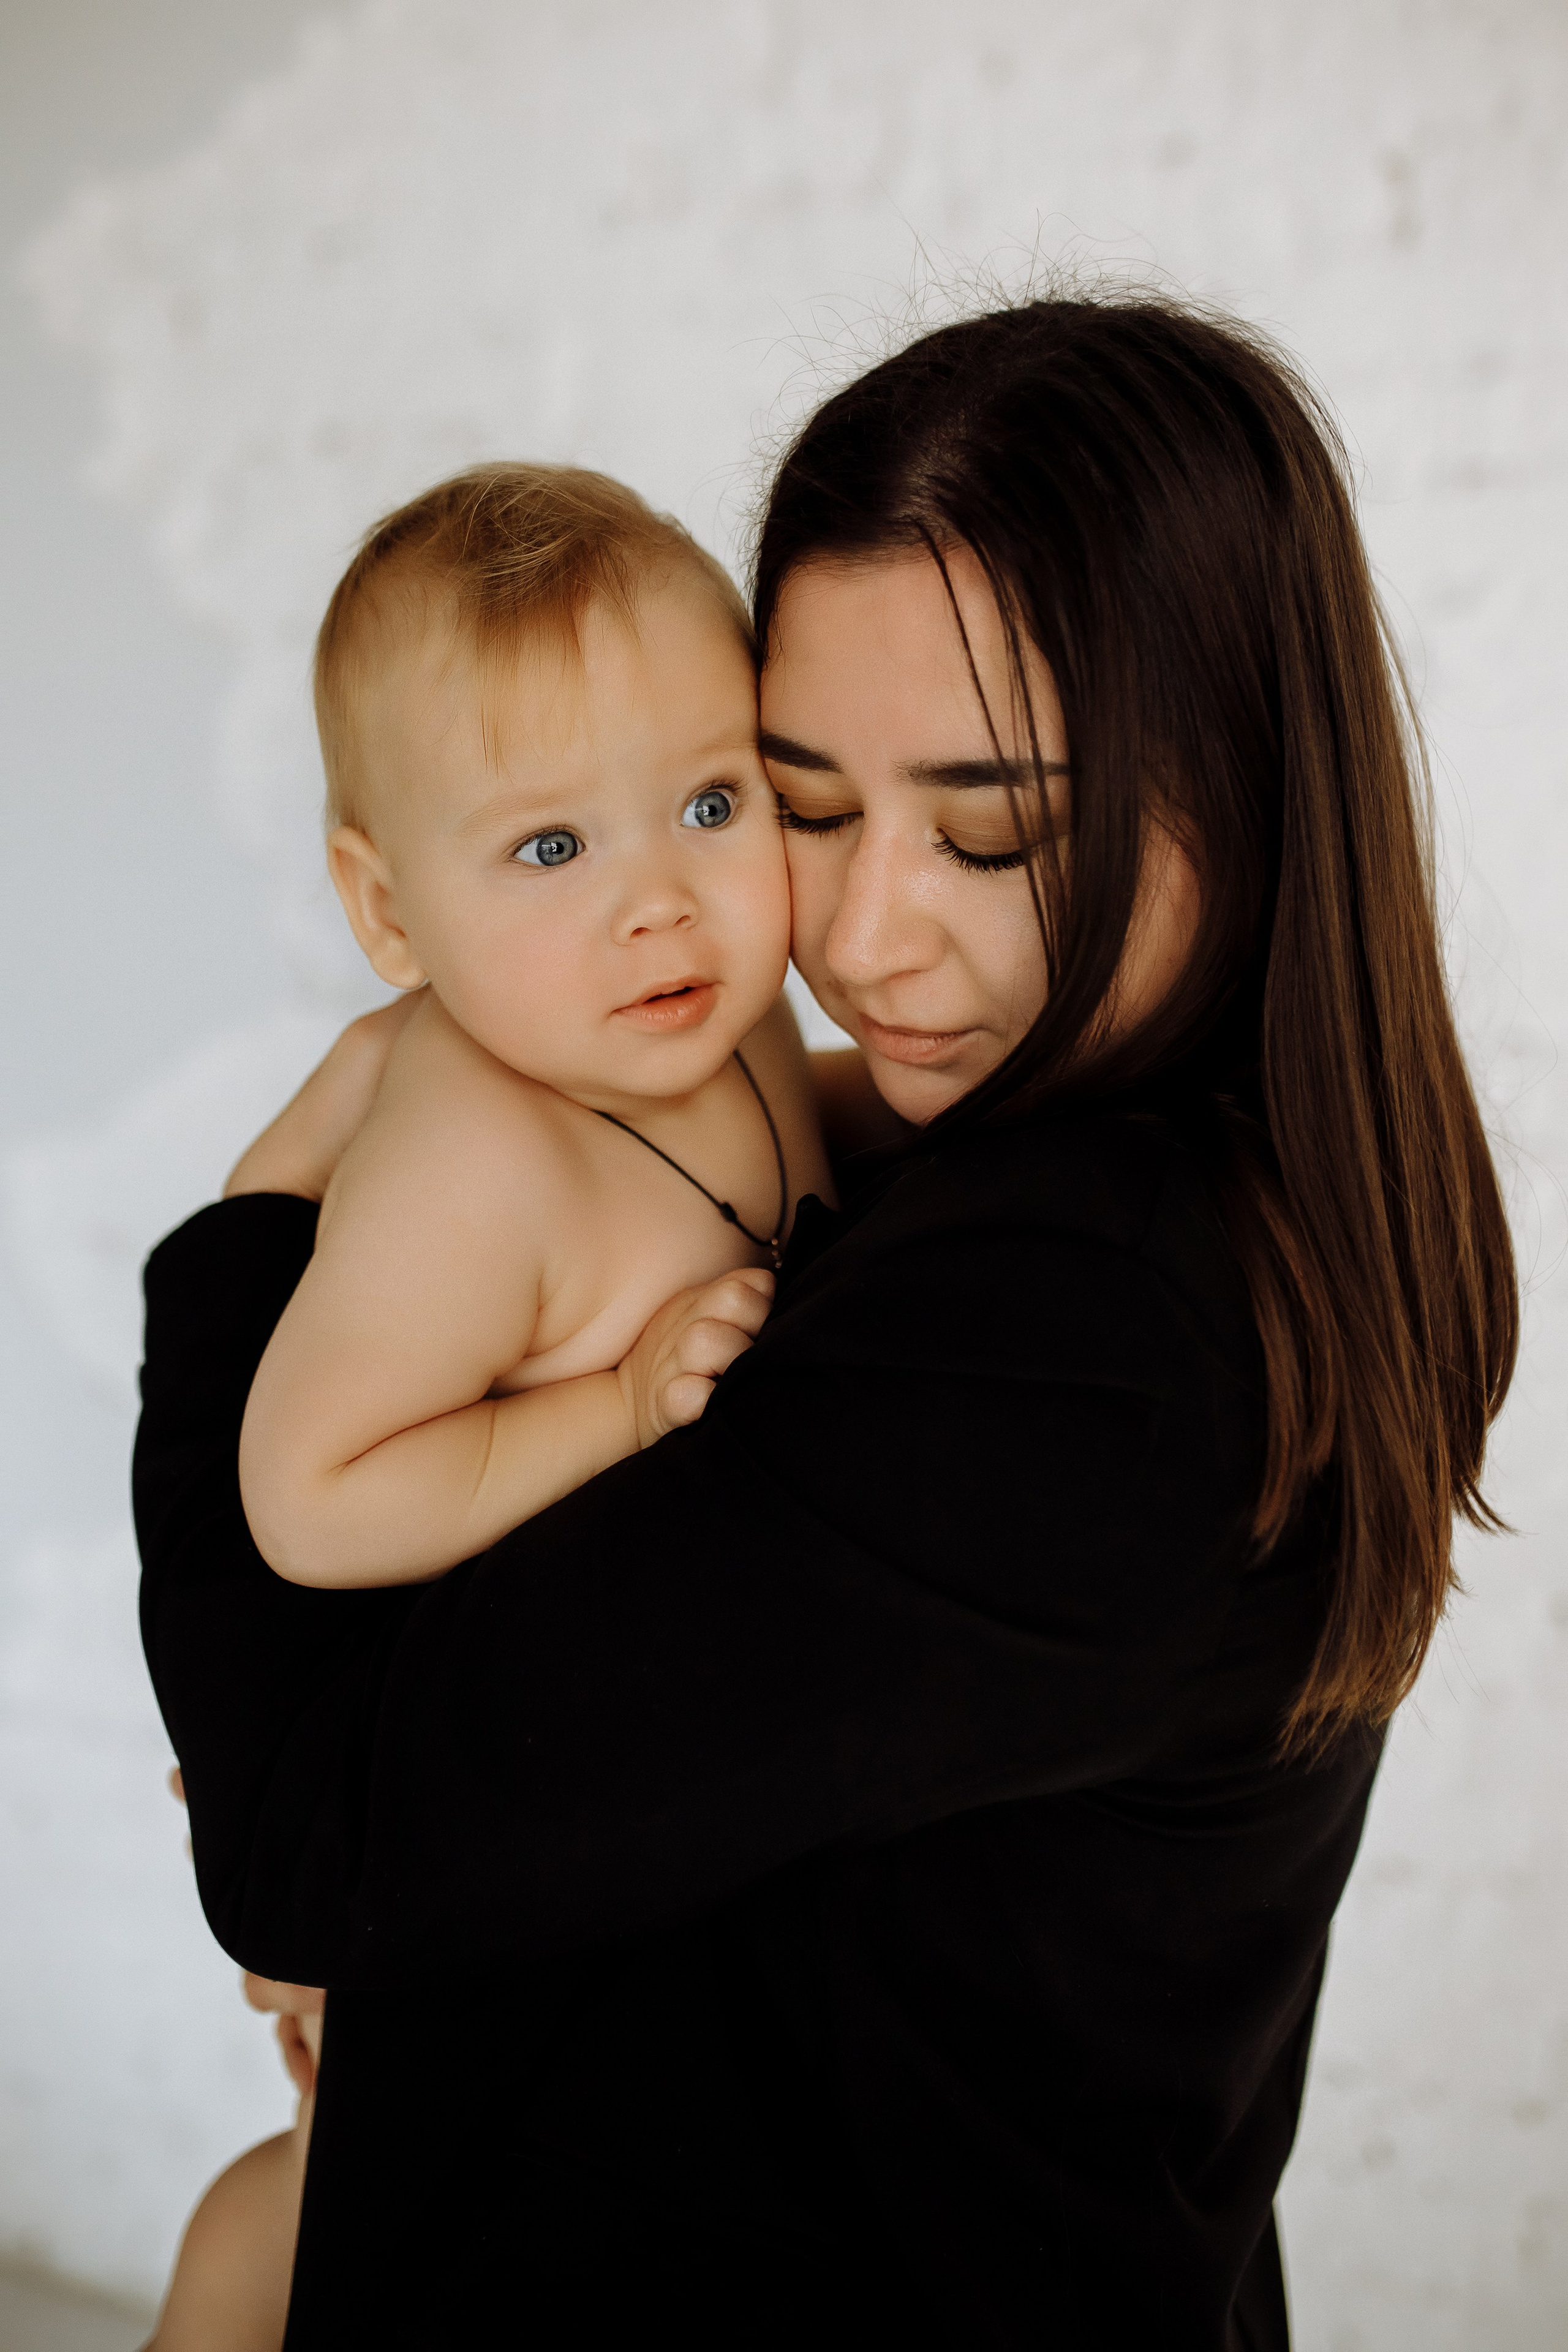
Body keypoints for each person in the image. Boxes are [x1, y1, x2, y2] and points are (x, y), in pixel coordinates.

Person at [134, 293, 1517, 2349]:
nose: (859, 943)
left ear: (1240, 772)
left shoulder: (1091, 1336)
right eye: (793, 798)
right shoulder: (1152, 1154)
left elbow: (306, 1830)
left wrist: (262, 1215)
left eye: (992, 832)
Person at [143, 460, 826, 2345]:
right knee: (340, 2225)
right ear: (386, 909)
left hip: (612, 1827)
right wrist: (609, 1412)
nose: (662, 904)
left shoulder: (729, 1018)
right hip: (437, 1830)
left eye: (711, 802)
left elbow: (799, 1159)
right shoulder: (477, 1161)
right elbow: (310, 1491)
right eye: (550, 850)